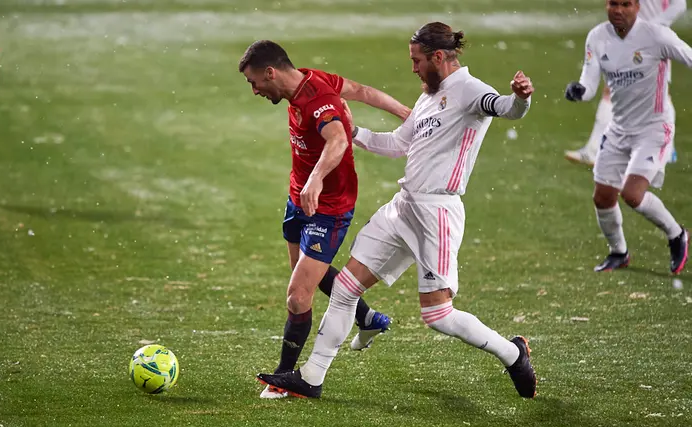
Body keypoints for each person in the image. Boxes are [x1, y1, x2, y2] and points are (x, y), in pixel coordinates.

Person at [257, 22, 537, 399]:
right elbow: (396, 144)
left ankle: (512, 353)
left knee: (438, 316)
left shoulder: (472, 91)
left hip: (437, 212)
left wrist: (521, 98)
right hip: (404, 207)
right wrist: (354, 132)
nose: (413, 68)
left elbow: (507, 109)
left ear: (439, 57)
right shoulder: (427, 97)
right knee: (344, 288)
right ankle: (311, 377)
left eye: (417, 61)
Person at [238, 40, 411, 399]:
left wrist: (316, 179)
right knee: (305, 278)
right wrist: (407, 113)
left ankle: (285, 379)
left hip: (328, 208)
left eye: (255, 82)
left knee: (297, 297)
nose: (254, 90)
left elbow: (337, 141)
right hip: (298, 198)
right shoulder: (312, 80)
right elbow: (361, 91)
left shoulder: (318, 100)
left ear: (271, 72)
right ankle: (367, 318)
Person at [564, 0, 689, 274]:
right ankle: (619, 252)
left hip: (654, 128)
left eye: (625, 4)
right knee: (603, 197)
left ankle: (677, 234)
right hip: (619, 129)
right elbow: (589, 85)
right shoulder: (597, 37)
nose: (618, 10)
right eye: (613, 3)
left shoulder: (656, 35)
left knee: (632, 194)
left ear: (638, 7)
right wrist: (578, 91)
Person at [564, 0, 686, 166]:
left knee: (661, 93)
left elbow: (679, 5)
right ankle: (595, 148)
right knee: (613, 89)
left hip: (652, 43)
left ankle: (666, 148)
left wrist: (652, 28)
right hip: (626, 39)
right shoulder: (598, 35)